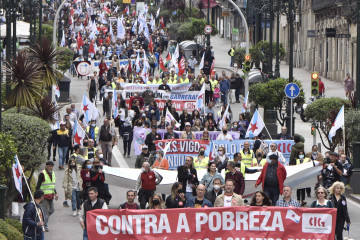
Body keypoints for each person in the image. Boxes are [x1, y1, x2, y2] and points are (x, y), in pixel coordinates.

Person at [35, 161, 58, 231]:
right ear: (46, 166)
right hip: (44, 196)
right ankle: (45, 226)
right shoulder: (42, 174)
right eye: (50, 166)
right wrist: (37, 196)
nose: (51, 168)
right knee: (46, 212)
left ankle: (40, 218)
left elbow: (52, 185)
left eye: (52, 166)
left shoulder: (53, 173)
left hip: (51, 195)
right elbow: (38, 186)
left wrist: (55, 193)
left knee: (51, 210)